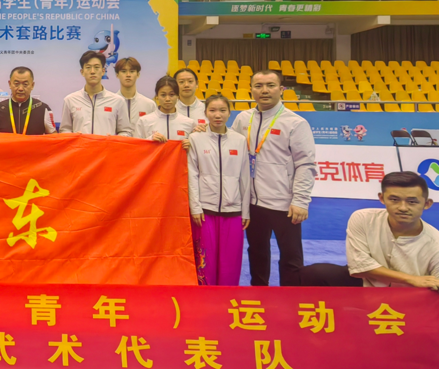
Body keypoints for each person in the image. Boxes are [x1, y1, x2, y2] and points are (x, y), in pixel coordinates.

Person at [300, 171, 439, 369]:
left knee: (407, 358)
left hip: (405, 309)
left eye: (412, 201)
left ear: (427, 204)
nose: (402, 207)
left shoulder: (438, 249)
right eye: (394, 199)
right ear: (382, 199)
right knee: (314, 274)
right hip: (365, 288)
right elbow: (359, 266)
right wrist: (412, 279)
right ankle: (310, 336)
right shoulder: (363, 219)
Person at [231, 69, 316, 286]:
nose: (264, 90)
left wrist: (300, 200)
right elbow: (228, 145)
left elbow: (305, 164)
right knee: (257, 251)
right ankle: (259, 292)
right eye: (258, 86)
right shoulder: (242, 119)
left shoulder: (295, 123)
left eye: (270, 85)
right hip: (252, 202)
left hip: (284, 203)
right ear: (251, 90)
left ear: (281, 89)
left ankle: (291, 296)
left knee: (291, 255)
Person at [187, 95, 250, 286]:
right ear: (205, 113)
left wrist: (245, 210)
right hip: (205, 211)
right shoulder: (196, 139)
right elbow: (192, 174)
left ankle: (228, 297)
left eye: (222, 110)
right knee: (205, 261)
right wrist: (195, 207)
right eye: (212, 110)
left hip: (234, 211)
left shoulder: (239, 140)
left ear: (230, 113)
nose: (217, 115)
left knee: (230, 262)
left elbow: (244, 176)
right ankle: (205, 297)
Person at [60, 50, 132, 135]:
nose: (92, 71)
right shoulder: (70, 100)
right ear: (82, 72)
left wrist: (113, 139)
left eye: (96, 67)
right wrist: (73, 137)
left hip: (107, 144)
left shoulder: (118, 101)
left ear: (103, 71)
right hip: (81, 144)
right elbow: (64, 129)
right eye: (88, 67)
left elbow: (125, 132)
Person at [0, 66, 57, 135]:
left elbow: (53, 136)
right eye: (16, 84)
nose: (20, 88)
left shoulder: (43, 108)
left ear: (32, 85)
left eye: (25, 84)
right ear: (10, 84)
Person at [135, 76, 197, 144]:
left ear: (178, 96)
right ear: (157, 97)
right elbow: (136, 147)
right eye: (163, 95)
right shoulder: (144, 122)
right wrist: (150, 140)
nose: (167, 99)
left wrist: (190, 146)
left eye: (171, 95)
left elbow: (196, 148)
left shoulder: (189, 123)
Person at [114, 57, 156, 127]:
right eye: (123, 71)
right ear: (117, 75)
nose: (128, 75)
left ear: (138, 74)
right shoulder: (111, 103)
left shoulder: (149, 105)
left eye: (132, 71)